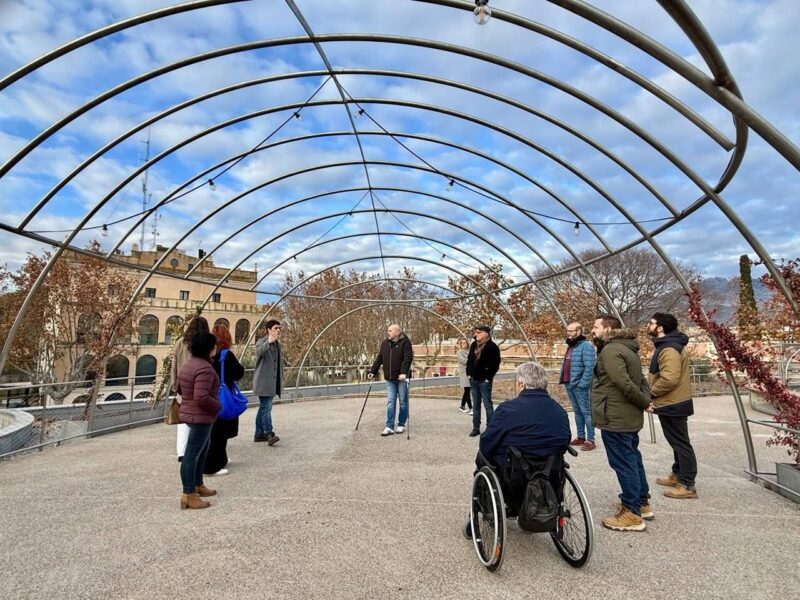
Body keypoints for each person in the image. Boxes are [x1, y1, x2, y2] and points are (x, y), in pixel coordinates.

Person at [463, 362, 570, 538]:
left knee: (482, 457)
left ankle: (481, 508)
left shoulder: (508, 409)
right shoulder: (559, 411)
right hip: (549, 473)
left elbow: (487, 442)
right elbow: (564, 442)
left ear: (521, 384)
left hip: (513, 476)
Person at [590, 314, 653, 531]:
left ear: (608, 329)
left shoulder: (610, 350)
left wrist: (644, 402)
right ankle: (642, 503)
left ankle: (632, 513)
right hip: (627, 416)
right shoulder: (629, 348)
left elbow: (623, 382)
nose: (593, 331)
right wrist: (646, 400)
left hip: (615, 416)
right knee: (632, 458)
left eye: (596, 327)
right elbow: (641, 380)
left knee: (623, 463)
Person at [647, 312, 699, 499]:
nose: (648, 325)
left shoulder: (669, 348)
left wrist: (651, 392)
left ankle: (687, 484)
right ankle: (678, 474)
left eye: (651, 323)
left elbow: (669, 379)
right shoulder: (668, 345)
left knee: (681, 443)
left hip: (673, 403)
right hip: (672, 402)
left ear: (660, 328)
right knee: (676, 442)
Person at [177, 331, 221, 510]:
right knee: (191, 455)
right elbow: (201, 397)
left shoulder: (189, 364)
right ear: (209, 348)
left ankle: (197, 484)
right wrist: (218, 406)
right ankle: (188, 494)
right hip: (200, 416)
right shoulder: (205, 369)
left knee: (202, 451)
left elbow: (179, 388)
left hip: (191, 413)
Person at [204, 323, 245, 476]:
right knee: (220, 432)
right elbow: (238, 373)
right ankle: (211, 466)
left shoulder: (208, 354)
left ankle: (221, 459)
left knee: (214, 431)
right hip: (223, 396)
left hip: (210, 395)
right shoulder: (226, 355)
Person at [170, 316, 209, 462]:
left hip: (182, 385)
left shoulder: (181, 342)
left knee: (183, 418)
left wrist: (175, 384)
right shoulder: (203, 343)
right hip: (198, 384)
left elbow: (174, 364)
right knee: (199, 418)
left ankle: (181, 452)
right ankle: (196, 450)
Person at [368, 324, 413, 436]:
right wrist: (373, 371)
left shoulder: (405, 342)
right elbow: (379, 358)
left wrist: (404, 373)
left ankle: (401, 424)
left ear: (397, 332)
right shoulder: (385, 343)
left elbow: (408, 358)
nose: (388, 332)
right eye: (388, 330)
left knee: (403, 402)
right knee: (391, 402)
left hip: (401, 378)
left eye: (390, 330)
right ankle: (389, 426)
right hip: (390, 378)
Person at [559, 322, 596, 451]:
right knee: (577, 411)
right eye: (568, 330)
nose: (568, 333)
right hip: (569, 383)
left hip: (579, 385)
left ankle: (590, 439)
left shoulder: (586, 346)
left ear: (579, 331)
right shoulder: (571, 346)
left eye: (571, 331)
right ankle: (581, 436)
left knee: (586, 412)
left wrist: (582, 384)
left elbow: (590, 367)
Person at [466, 325, 501, 437]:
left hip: (484, 381)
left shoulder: (492, 347)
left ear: (485, 334)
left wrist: (488, 377)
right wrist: (469, 373)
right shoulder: (473, 345)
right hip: (474, 379)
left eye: (478, 332)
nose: (475, 334)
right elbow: (469, 360)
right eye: (475, 332)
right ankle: (476, 428)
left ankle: (491, 429)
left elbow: (495, 365)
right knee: (476, 405)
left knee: (487, 405)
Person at [253, 319, 283, 445]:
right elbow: (258, 352)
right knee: (267, 407)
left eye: (280, 328)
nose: (278, 330)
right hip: (263, 382)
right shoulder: (262, 341)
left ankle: (258, 434)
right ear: (269, 330)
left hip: (272, 383)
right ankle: (269, 433)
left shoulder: (277, 344)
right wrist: (268, 342)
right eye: (276, 328)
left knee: (263, 407)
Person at [456, 338, 472, 414]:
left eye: (465, 342)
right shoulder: (459, 352)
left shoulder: (469, 351)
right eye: (462, 343)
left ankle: (462, 406)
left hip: (470, 373)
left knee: (467, 390)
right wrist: (471, 360)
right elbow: (464, 361)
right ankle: (471, 408)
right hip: (464, 373)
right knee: (467, 390)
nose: (463, 344)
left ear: (467, 343)